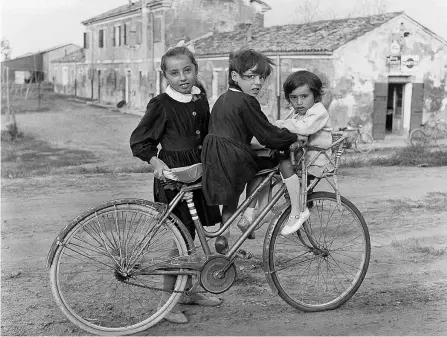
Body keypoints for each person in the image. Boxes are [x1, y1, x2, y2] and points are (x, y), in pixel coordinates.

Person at [129, 44, 222, 324]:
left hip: (199, 174)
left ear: (195, 70)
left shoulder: (199, 98)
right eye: (174, 73)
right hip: (174, 178)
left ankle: (188, 291)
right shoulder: (162, 104)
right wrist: (155, 162)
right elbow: (140, 140)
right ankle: (168, 302)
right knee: (180, 241)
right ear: (164, 76)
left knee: (193, 236)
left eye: (187, 70)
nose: (182, 77)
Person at [201, 48, 298, 243]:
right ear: (235, 76)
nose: (258, 83)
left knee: (233, 192)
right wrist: (291, 136)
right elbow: (266, 135)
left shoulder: (223, 98)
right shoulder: (247, 101)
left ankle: (223, 234)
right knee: (267, 164)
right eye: (251, 76)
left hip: (213, 155)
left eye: (262, 77)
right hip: (233, 154)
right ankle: (251, 213)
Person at [274, 70, 333, 235]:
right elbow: (294, 128)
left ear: (315, 95)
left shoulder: (319, 111)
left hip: (315, 160)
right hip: (302, 157)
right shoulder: (297, 112)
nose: (299, 102)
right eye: (293, 98)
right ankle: (293, 206)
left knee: (286, 167)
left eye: (304, 96)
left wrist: (281, 124)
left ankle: (297, 211)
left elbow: (304, 128)